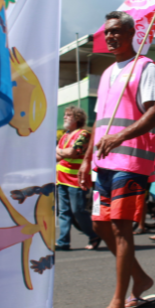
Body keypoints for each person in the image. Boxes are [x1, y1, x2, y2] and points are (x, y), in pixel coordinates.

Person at [79, 11, 155, 308]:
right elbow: (99, 122)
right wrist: (87, 158)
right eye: (107, 33)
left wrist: (121, 137)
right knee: (100, 225)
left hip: (130, 162)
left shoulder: (145, 67)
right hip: (103, 163)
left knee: (120, 226)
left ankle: (119, 303)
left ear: (131, 33)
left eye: (116, 31)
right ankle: (141, 278)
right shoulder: (106, 74)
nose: (111, 37)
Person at [56, 106, 100, 251]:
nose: (65, 117)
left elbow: (73, 153)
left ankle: (94, 235)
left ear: (78, 118)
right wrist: (63, 152)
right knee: (64, 213)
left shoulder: (84, 134)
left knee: (78, 211)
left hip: (77, 179)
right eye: (65, 115)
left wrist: (59, 151)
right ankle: (63, 242)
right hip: (61, 178)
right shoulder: (65, 135)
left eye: (69, 115)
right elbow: (59, 155)